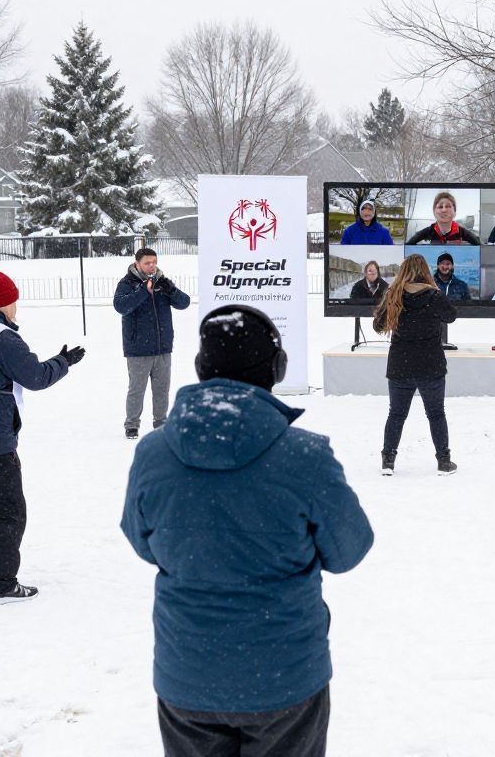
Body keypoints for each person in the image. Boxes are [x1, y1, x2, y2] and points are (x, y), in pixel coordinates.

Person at [121, 305, 373, 757]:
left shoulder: (153, 453)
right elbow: (349, 550)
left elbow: (142, 542)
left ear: (201, 368)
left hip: (188, 675)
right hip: (285, 679)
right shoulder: (305, 456)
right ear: (276, 369)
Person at [0, 268, 84, 604]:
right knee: (9, 512)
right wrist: (63, 362)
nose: (15, 309)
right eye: (12, 302)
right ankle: (2, 584)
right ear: (0, 303)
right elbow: (35, 377)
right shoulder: (1, 337)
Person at [373, 253, 458, 476]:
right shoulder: (434, 295)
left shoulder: (393, 295)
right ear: (426, 271)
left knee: (396, 415)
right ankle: (444, 461)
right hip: (431, 366)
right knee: (436, 414)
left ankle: (388, 462)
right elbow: (451, 316)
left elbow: (378, 325)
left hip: (400, 365)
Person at [113, 247, 191, 440]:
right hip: (138, 348)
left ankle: (161, 421)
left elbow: (184, 303)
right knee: (136, 389)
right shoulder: (127, 283)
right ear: (137, 263)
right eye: (147, 263)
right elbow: (121, 306)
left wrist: (171, 290)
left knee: (162, 388)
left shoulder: (162, 282)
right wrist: (143, 291)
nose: (152, 266)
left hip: (162, 346)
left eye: (154, 262)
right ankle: (132, 425)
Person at [406, 191, 481, 245]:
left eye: (448, 206)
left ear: (454, 212)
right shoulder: (427, 232)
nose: (444, 210)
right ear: (434, 211)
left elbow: (480, 247)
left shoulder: (463, 233)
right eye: (440, 207)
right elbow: (409, 245)